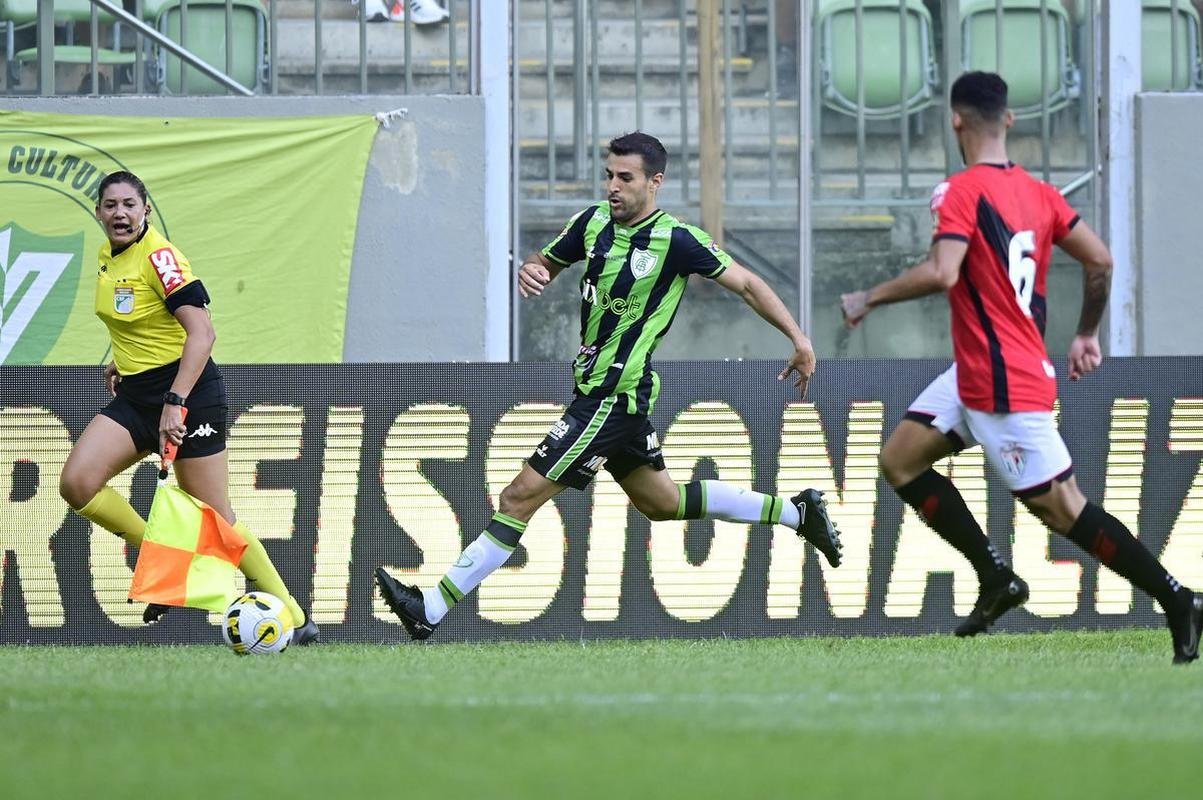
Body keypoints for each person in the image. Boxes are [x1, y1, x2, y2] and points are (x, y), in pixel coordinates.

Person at [375, 131, 843, 640]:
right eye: (608, 175)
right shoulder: (593, 222)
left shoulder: (676, 240)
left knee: (518, 497)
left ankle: (433, 607)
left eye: (625, 178)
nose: (612, 187)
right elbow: (544, 262)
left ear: (654, 182)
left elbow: (749, 284)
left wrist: (799, 339)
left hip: (611, 399)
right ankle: (797, 513)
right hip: (603, 394)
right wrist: (533, 272)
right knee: (662, 503)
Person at [840, 72, 1201, 665]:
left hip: (1002, 385)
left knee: (1063, 509)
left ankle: (1176, 598)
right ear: (1008, 120)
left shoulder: (962, 190)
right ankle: (996, 577)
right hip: (982, 369)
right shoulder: (1042, 195)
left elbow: (942, 272)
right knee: (900, 459)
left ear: (956, 120)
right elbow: (1101, 259)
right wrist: (1086, 331)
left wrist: (868, 298)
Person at [58, 170, 319, 645]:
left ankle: (298, 619)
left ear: (145, 211)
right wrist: (123, 360)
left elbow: (203, 333)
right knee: (77, 484)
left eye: (129, 205)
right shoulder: (107, 256)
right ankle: (170, 561)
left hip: (189, 395)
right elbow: (140, 321)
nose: (120, 213)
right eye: (110, 205)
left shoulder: (161, 257)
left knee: (216, 520)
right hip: (137, 397)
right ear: (98, 212)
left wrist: (175, 402)